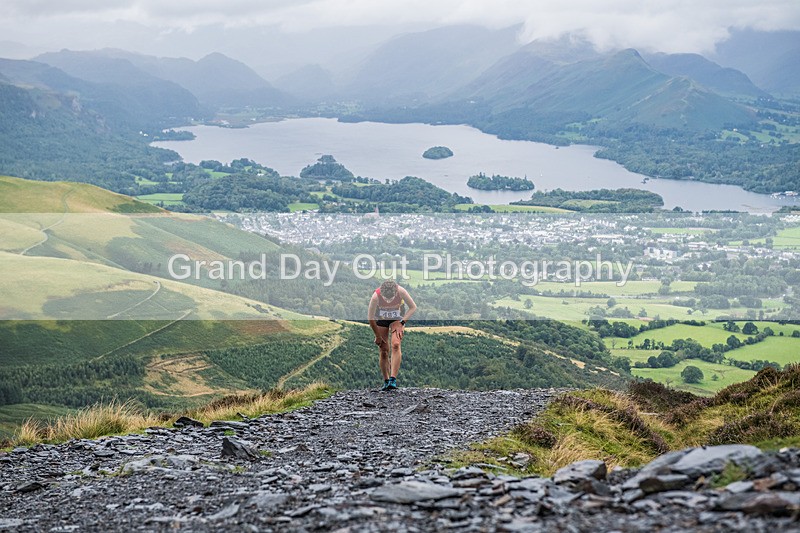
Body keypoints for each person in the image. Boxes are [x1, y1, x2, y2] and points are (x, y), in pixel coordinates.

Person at [368, 279, 417, 391]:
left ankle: (393, 379)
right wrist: (377, 336)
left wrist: (402, 323)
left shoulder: (401, 291)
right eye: (386, 299)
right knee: (384, 349)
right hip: (380, 319)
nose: (388, 301)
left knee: (395, 344)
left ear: (395, 293)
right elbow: (370, 318)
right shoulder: (376, 296)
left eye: (391, 298)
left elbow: (413, 307)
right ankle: (386, 380)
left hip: (397, 319)